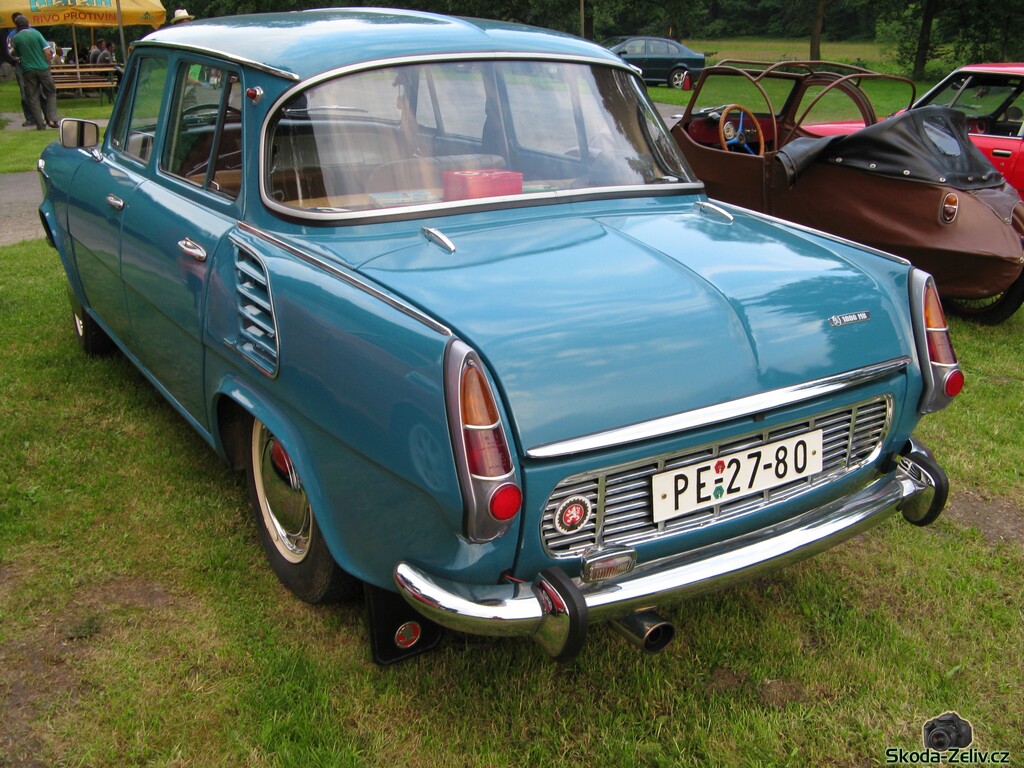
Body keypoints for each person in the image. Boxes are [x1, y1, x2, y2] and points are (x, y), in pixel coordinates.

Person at [10, 15, 58, 130]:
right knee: (51, 92)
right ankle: (52, 119)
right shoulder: (36, 34)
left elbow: (15, 53)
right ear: (28, 24)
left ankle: (40, 124)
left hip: (28, 71)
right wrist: (48, 65)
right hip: (42, 68)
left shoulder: (15, 38)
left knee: (33, 97)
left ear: (16, 26)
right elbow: (47, 51)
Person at [6, 14, 36, 127]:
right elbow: (10, 52)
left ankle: (45, 117)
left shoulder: (34, 32)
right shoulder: (11, 36)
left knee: (40, 92)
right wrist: (20, 58)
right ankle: (30, 118)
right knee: (24, 93)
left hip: (34, 64)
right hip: (21, 65)